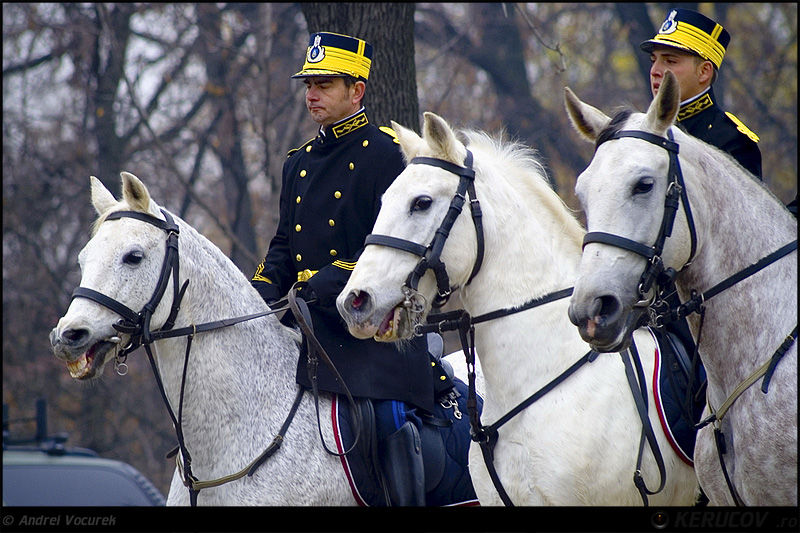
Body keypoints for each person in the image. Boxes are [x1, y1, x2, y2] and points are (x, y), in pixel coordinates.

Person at [250, 31, 454, 505]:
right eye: (309, 84)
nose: (312, 93)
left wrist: (325, 283)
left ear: (356, 90)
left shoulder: (386, 152)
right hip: (304, 320)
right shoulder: (296, 162)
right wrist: (257, 295)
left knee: (386, 418)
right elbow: (283, 246)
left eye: (325, 83)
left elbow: (391, 246)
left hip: (367, 323)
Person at [641, 7, 762, 179]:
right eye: (653, 60)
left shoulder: (732, 141)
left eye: (670, 61)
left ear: (704, 72)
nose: (655, 70)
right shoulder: (641, 130)